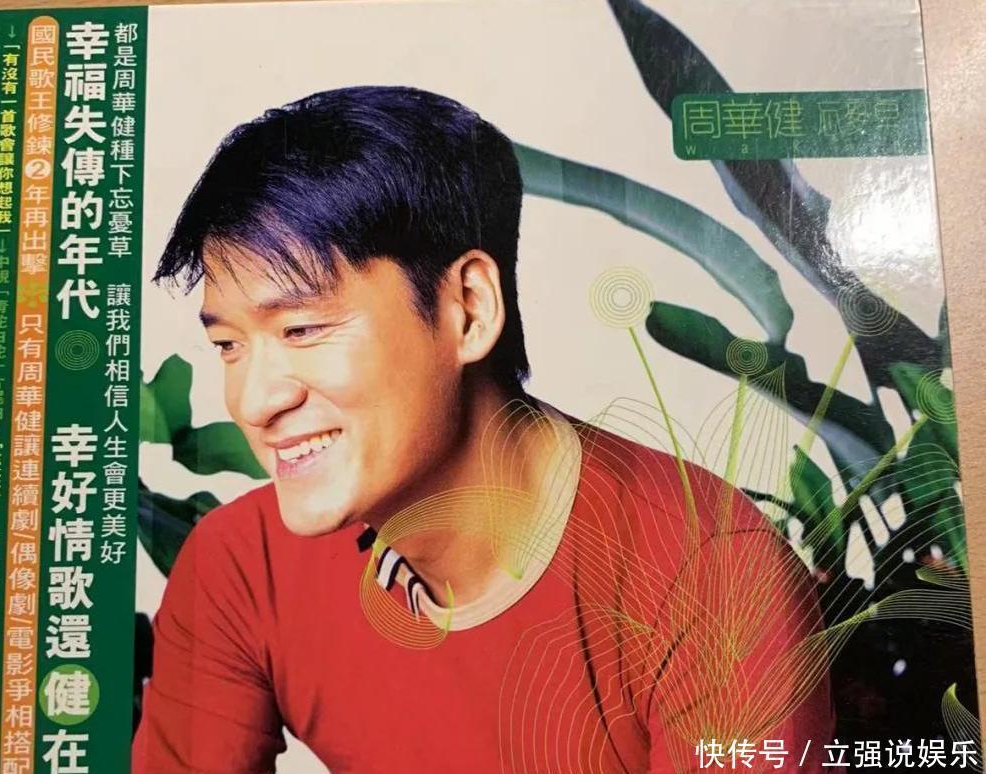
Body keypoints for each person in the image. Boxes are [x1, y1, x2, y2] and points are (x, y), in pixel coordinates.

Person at [133, 85, 833, 773]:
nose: (255, 401)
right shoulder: (240, 565)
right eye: (229, 345)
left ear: (467, 308)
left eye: (303, 329)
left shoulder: (711, 578)